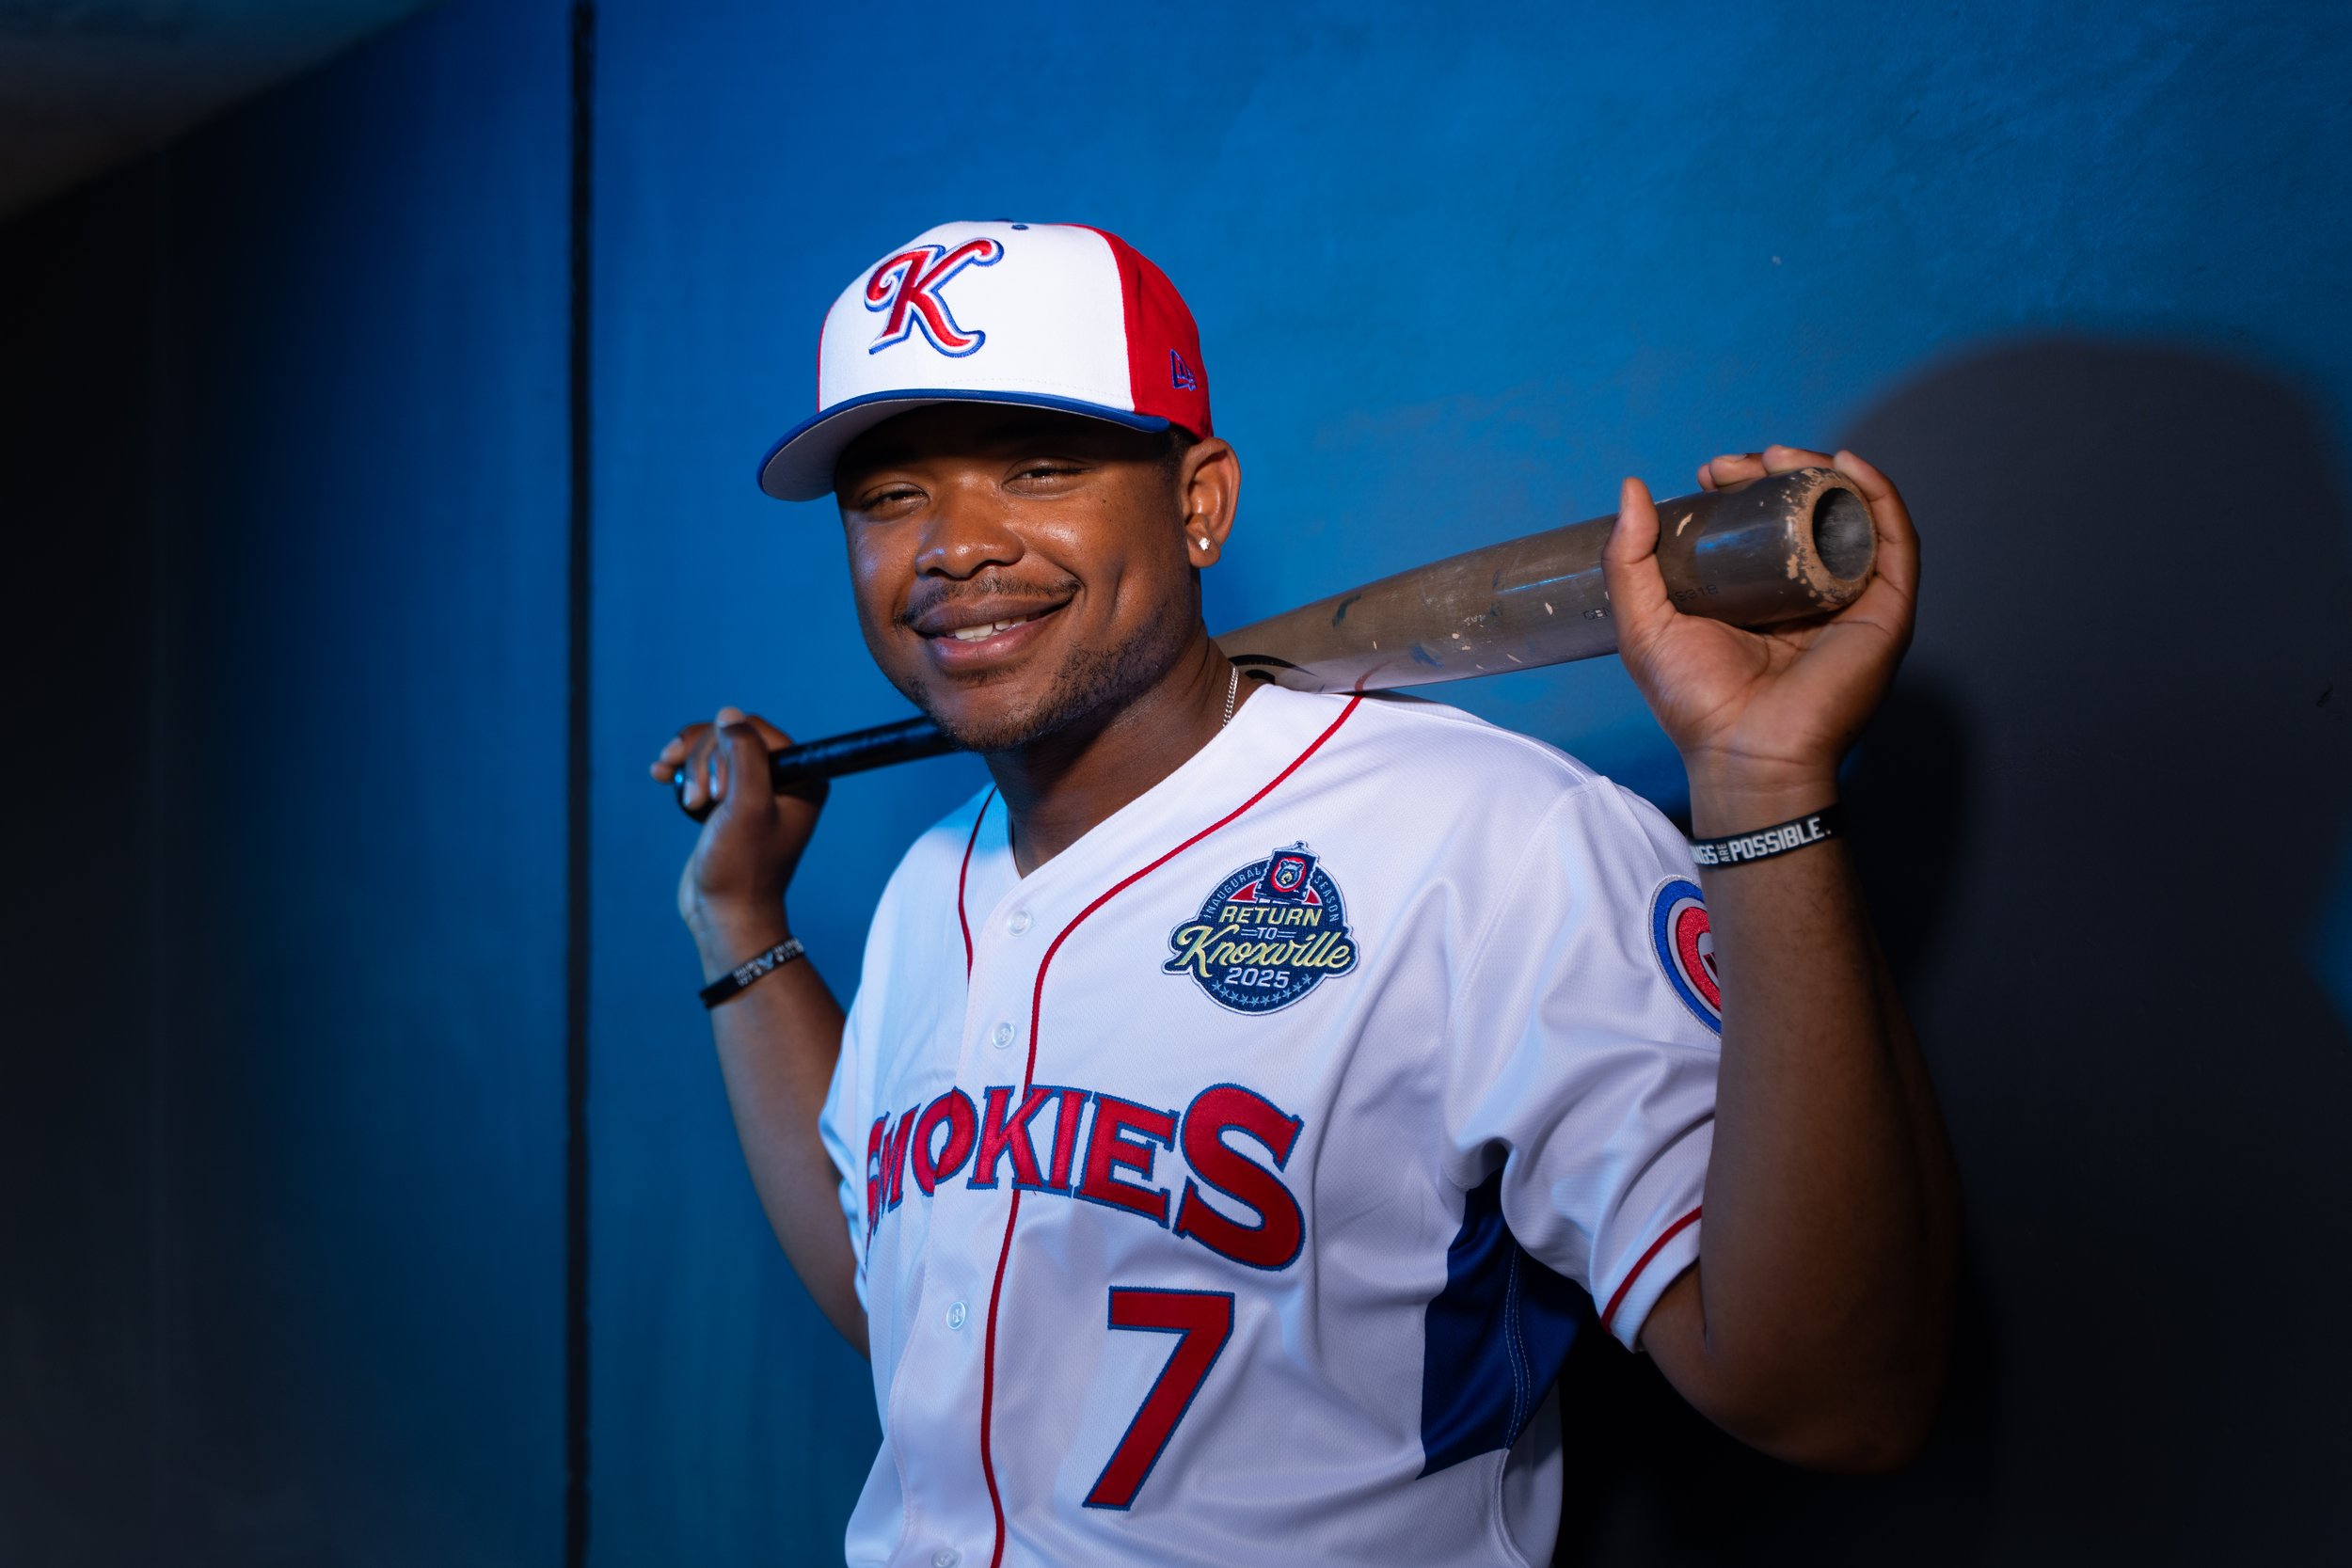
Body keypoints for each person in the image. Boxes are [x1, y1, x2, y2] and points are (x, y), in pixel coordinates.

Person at [650, 221, 1958, 1568]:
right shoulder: (939, 884)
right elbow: (906, 1307)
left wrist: (1760, 786)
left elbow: (1837, 1399)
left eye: (1038, 467)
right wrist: (738, 919)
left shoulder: (1492, 837)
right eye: (888, 497)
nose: (954, 548)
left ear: (1200, 500)